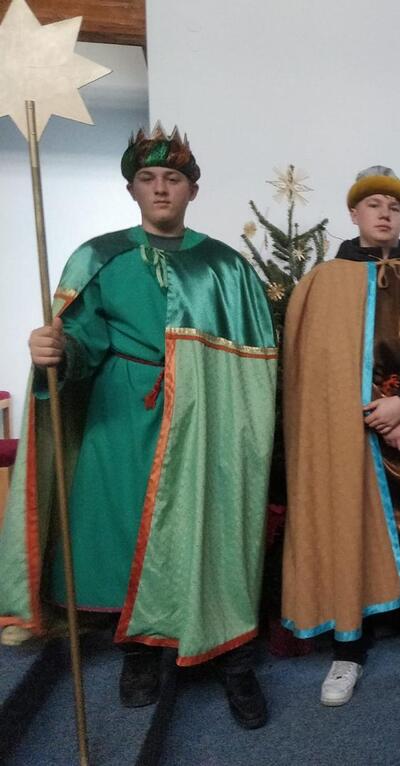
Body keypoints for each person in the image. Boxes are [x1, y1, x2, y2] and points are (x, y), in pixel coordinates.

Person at [0, 124, 277, 729]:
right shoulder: (100, 257)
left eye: (173, 178)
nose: (161, 188)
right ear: (132, 189)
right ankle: (140, 653)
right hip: (122, 415)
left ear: (192, 190)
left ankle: (234, 659)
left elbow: (254, 371)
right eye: (148, 178)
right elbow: (82, 343)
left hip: (205, 420)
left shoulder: (226, 267)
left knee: (213, 528)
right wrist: (56, 351)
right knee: (126, 533)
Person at [280, 166, 400, 706]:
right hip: (347, 435)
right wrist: (377, 414)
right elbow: (317, 366)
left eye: (395, 207)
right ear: (354, 214)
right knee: (349, 527)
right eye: (374, 205)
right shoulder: (323, 281)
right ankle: (349, 649)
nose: (385, 214)